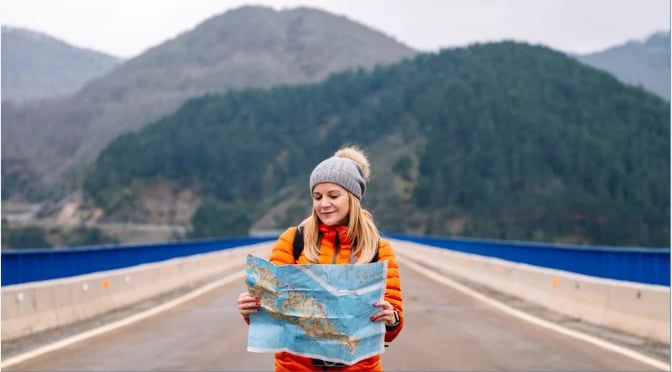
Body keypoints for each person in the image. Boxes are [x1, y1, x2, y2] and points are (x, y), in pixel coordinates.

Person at [237, 145, 404, 372]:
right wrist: (252, 309)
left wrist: (391, 318)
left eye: (333, 195)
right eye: (317, 196)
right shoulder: (293, 240)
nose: (324, 203)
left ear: (352, 198)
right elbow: (272, 313)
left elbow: (392, 327)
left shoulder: (377, 248)